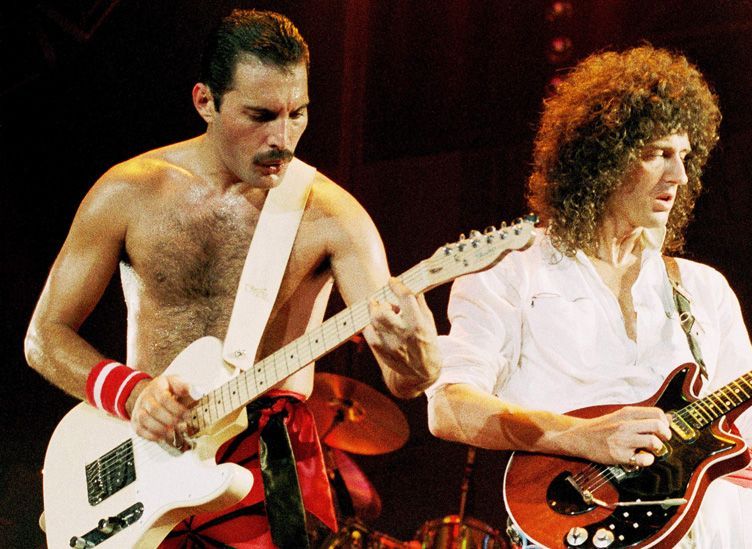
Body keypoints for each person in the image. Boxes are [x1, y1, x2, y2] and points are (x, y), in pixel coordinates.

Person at [426, 45, 752, 547]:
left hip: (733, 532)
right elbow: (449, 408)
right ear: (598, 158)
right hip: (587, 526)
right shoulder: (511, 271)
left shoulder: (702, 287)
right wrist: (578, 436)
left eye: (684, 156)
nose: (679, 177)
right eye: (657, 154)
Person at [24, 9, 441, 548]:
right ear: (205, 101)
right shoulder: (128, 192)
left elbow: (406, 381)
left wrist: (418, 352)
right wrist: (133, 394)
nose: (283, 138)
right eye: (261, 115)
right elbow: (44, 336)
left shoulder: (336, 217)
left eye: (298, 114)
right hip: (141, 450)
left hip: (265, 461)